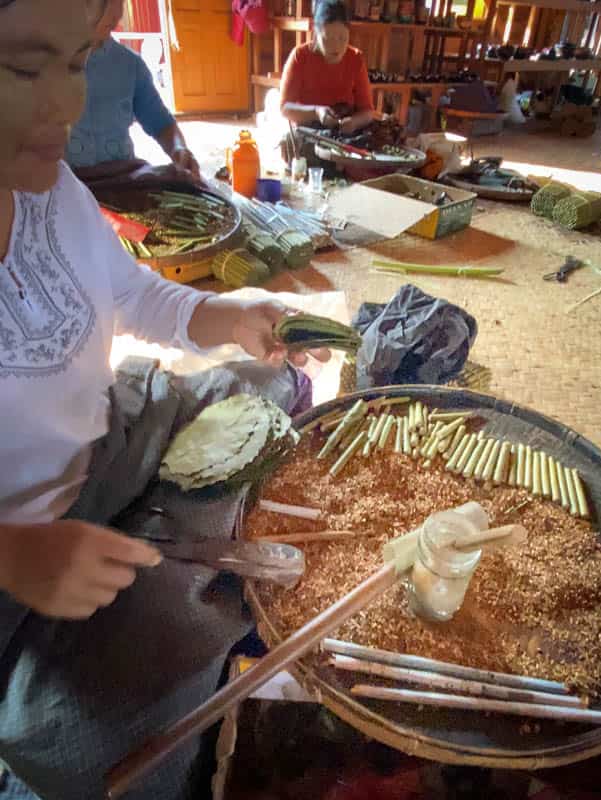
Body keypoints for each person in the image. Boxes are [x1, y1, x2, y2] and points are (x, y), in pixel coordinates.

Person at [0, 2, 328, 799]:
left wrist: (227, 314)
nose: (68, 105)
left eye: (75, 63)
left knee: (276, 383)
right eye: (22, 67)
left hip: (116, 433)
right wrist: (11, 554)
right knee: (93, 766)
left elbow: (137, 296)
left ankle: (162, 535)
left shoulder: (48, 189)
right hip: (26, 564)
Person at [66, 0, 201, 182]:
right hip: (67, 183)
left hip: (121, 178)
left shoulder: (130, 65)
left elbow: (161, 122)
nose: (117, 14)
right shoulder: (46, 64)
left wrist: (179, 148)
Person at [279, 0, 374, 136]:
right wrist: (316, 112)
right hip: (309, 130)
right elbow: (284, 108)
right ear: (316, 32)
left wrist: (354, 122)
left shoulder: (355, 58)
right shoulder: (301, 56)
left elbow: (368, 112)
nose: (336, 47)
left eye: (342, 38)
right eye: (328, 38)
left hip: (345, 131)